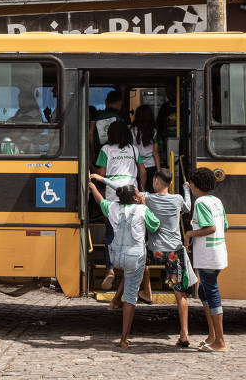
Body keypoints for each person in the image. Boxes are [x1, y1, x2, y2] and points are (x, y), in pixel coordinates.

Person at [93, 168, 193, 347]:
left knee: (133, 268)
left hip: (152, 251)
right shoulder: (177, 200)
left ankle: (124, 297)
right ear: (170, 184)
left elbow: (123, 189)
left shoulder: (146, 198)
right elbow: (188, 206)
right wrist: (185, 188)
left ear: (155, 181)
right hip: (173, 252)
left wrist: (102, 180)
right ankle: (184, 333)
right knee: (180, 293)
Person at [88, 181, 160, 348]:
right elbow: (155, 226)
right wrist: (143, 205)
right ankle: (123, 339)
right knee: (130, 298)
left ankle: (114, 299)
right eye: (138, 194)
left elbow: (100, 200)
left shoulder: (112, 207)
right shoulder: (142, 209)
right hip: (134, 257)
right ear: (135, 198)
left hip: (116, 257)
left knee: (128, 275)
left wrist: (92, 186)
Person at [93, 121, 146, 290]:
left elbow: (101, 174)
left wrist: (89, 166)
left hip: (113, 195)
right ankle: (129, 270)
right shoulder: (133, 149)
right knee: (133, 232)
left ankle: (110, 270)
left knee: (111, 233)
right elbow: (143, 172)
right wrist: (140, 190)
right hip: (131, 193)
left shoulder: (105, 150)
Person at [185, 167, 229, 352]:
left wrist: (190, 233)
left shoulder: (201, 202)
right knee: (204, 292)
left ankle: (220, 341)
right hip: (218, 252)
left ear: (194, 185)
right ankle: (212, 335)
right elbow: (224, 226)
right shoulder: (216, 201)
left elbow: (210, 227)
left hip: (208, 255)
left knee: (211, 293)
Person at [131, 104, 162, 191]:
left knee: (140, 191)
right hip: (152, 165)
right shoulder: (154, 131)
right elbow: (155, 152)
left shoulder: (132, 130)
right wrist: (159, 170)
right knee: (152, 192)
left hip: (137, 166)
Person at [89, 90, 125, 162]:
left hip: (99, 151)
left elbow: (90, 134)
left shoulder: (97, 116)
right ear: (120, 102)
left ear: (106, 102)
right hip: (117, 153)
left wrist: (92, 152)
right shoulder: (121, 118)